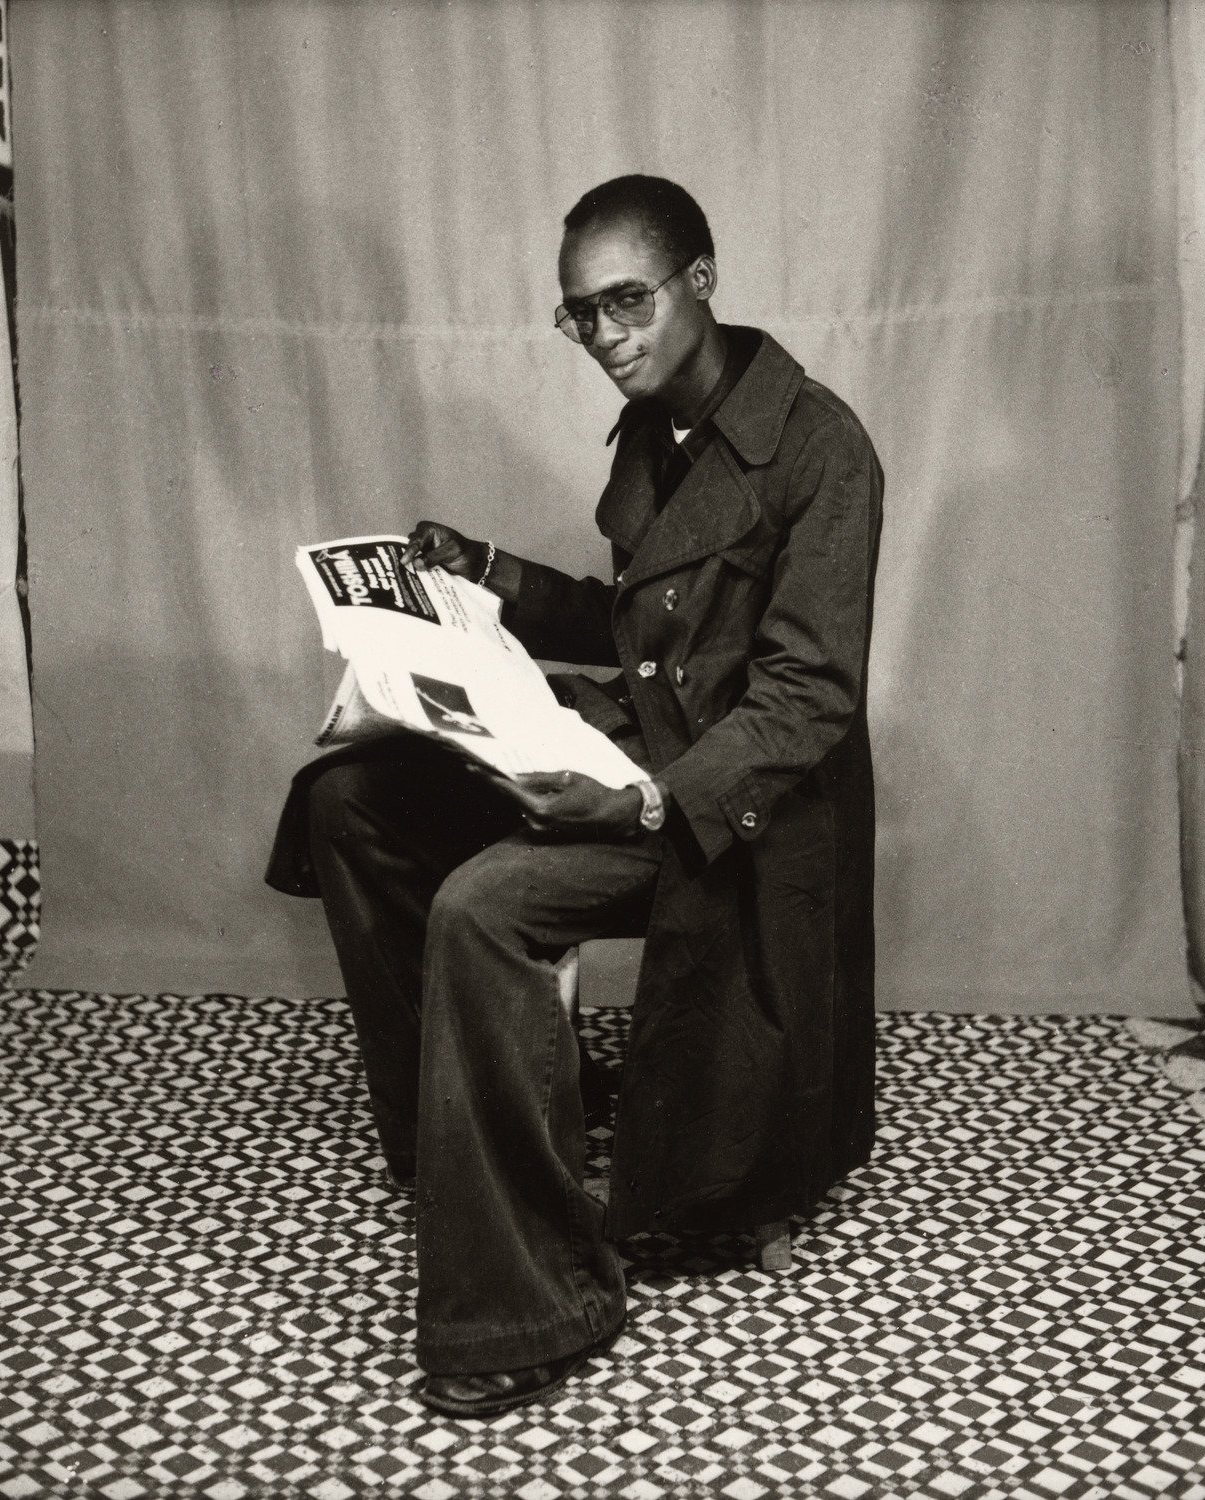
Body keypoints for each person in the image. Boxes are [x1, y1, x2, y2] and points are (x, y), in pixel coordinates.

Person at [266, 174, 884, 1418]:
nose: (604, 334)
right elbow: (639, 629)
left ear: (699, 281)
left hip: (732, 811)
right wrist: (486, 576)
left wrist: (647, 806)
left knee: (484, 906)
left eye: (625, 302)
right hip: (632, 757)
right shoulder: (661, 426)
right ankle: (461, 1150)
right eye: (579, 313)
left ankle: (537, 1301)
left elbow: (804, 699)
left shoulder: (819, 449)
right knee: (350, 803)